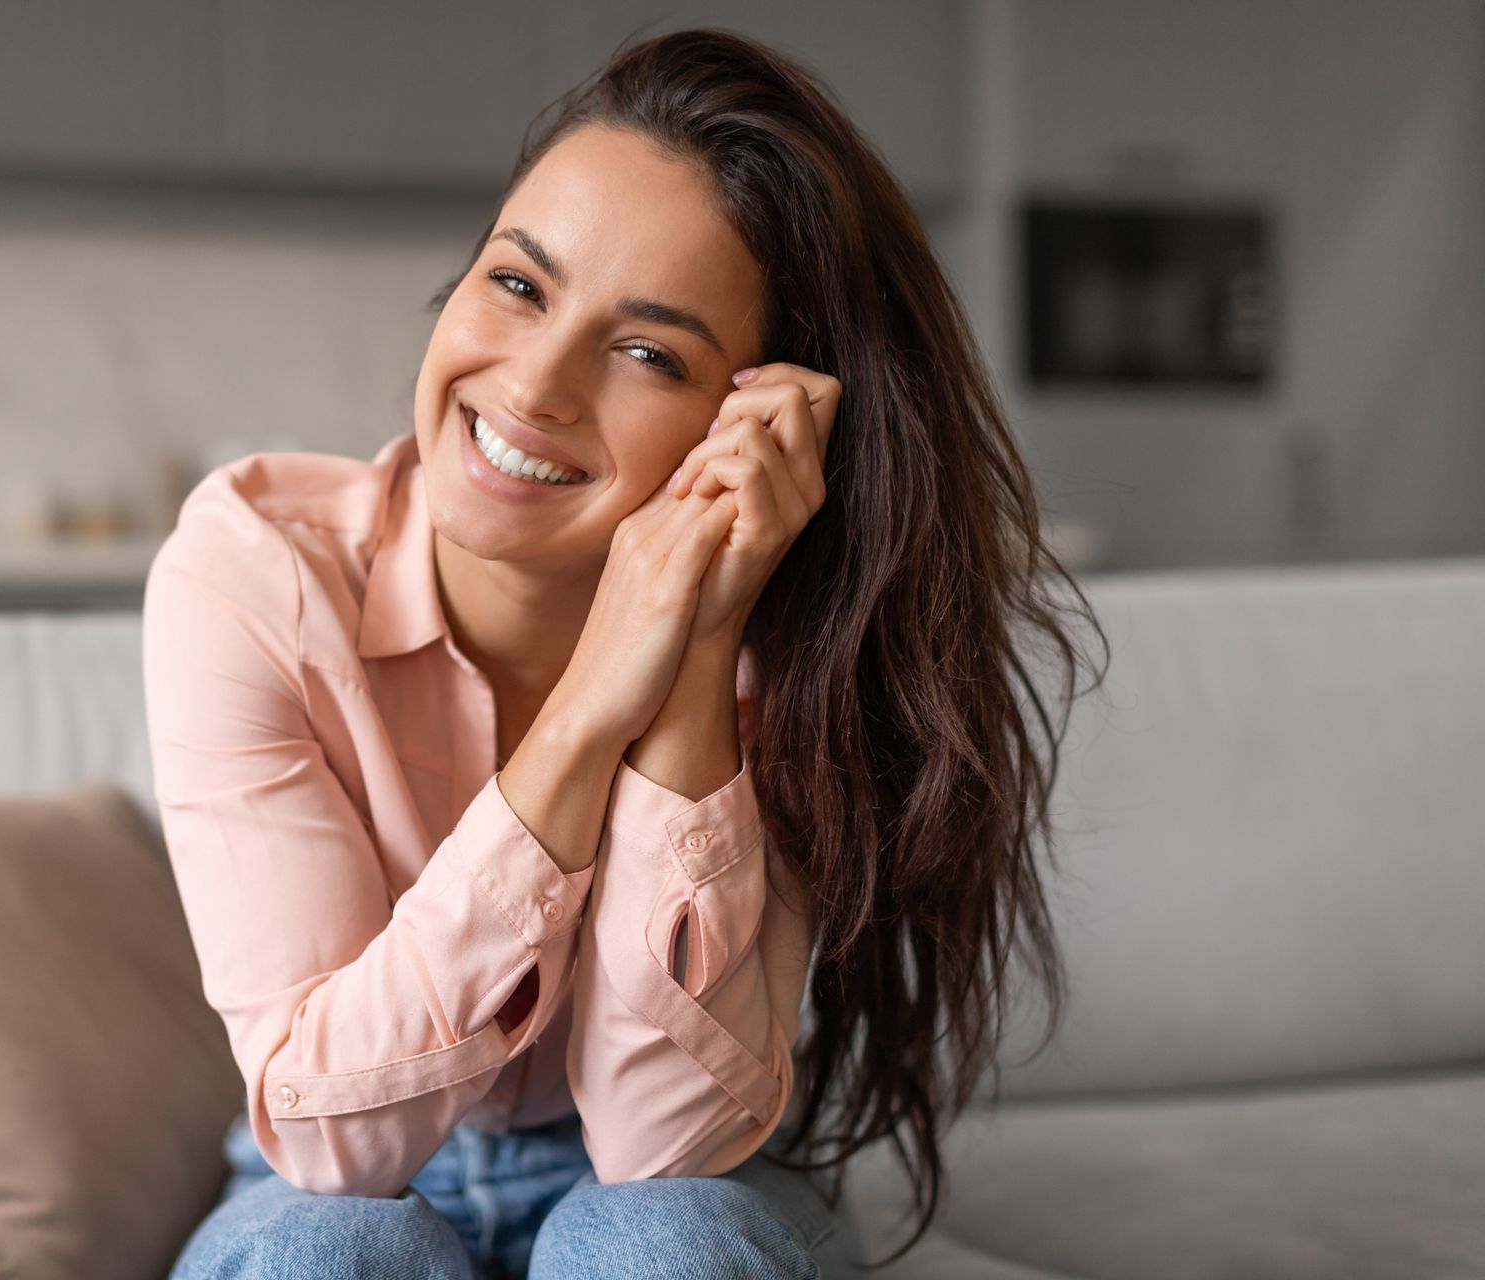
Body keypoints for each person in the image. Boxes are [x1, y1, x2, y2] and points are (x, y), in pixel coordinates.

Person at [144, 27, 1108, 1280]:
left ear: (752, 423)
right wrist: (593, 702)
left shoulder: (798, 647)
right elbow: (335, 1140)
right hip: (344, 1156)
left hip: (687, 1181)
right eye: (518, 284)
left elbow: (665, 1140)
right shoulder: (257, 569)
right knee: (317, 1249)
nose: (536, 385)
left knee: (658, 1241)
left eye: (650, 352)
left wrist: (699, 643)